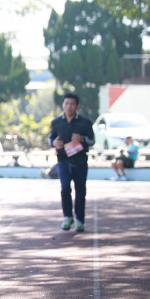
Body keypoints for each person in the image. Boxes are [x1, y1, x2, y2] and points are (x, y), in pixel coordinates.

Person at [48, 93, 95, 232]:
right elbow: (50, 139)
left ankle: (79, 219)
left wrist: (82, 139)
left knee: (80, 191)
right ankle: (67, 216)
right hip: (63, 161)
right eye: (66, 103)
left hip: (80, 161)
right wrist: (54, 143)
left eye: (72, 104)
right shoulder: (57, 122)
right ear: (63, 105)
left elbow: (92, 140)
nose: (69, 107)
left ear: (77, 106)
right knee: (65, 188)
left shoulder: (85, 122)